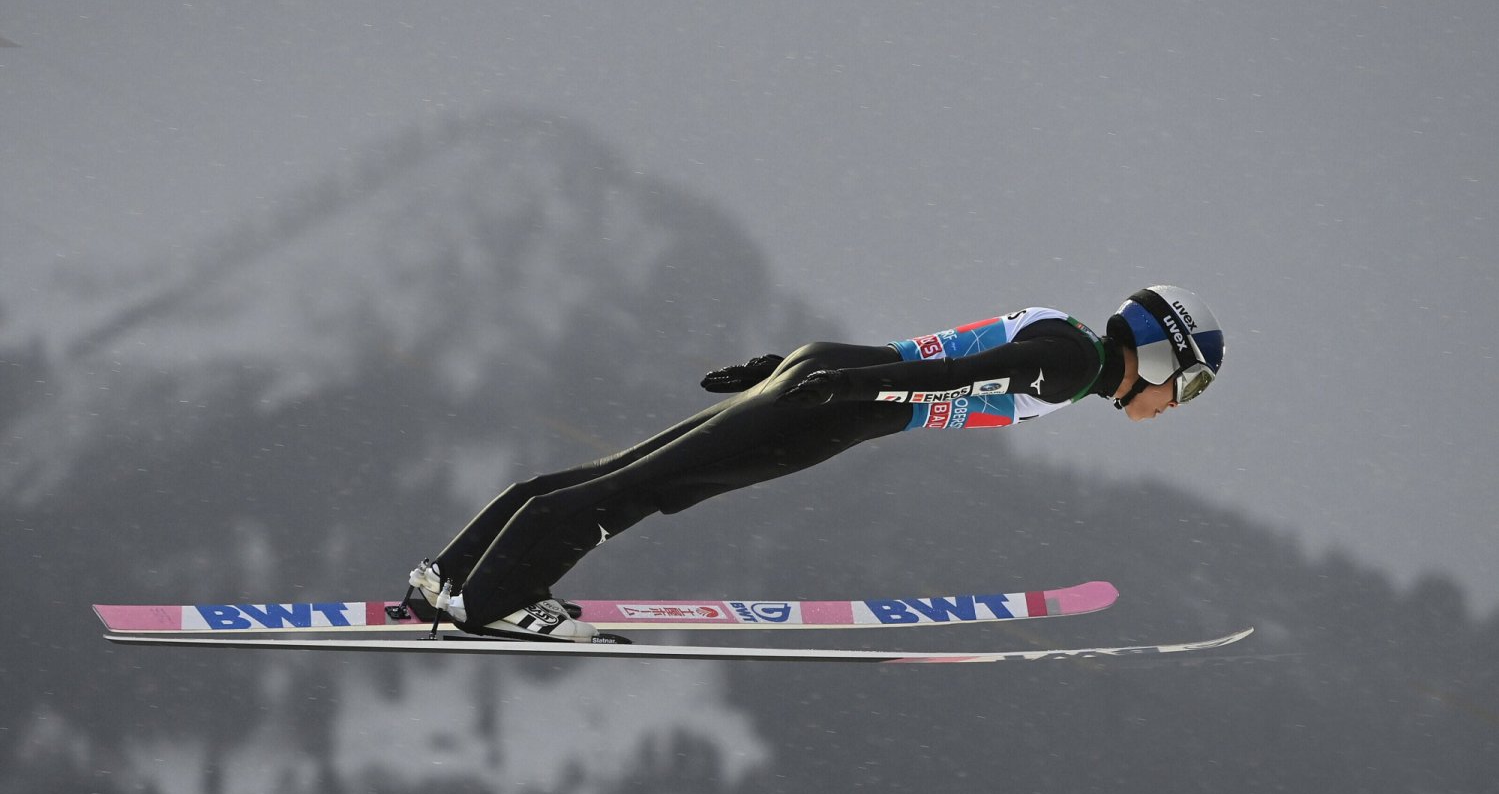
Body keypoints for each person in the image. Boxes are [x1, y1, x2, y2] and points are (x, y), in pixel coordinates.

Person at [407, 284, 1226, 642]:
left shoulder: (1066, 335)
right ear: (1158, 358)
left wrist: (786, 372)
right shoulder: (1076, 364)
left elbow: (929, 354)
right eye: (1185, 387)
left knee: (629, 469)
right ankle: (494, 601)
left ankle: (446, 579)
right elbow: (946, 374)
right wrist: (847, 388)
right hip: (838, 401)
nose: (1173, 406)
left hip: (826, 378)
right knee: (643, 486)